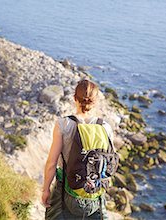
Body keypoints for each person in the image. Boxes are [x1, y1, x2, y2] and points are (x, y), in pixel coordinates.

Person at [42, 79, 115, 220]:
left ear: (74, 99)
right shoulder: (105, 127)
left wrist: (45, 190)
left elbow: (51, 163)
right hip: (94, 194)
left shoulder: (63, 124)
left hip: (65, 192)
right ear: (95, 102)